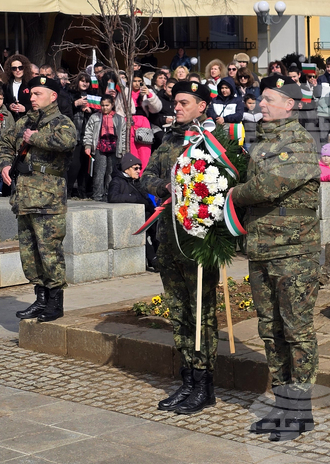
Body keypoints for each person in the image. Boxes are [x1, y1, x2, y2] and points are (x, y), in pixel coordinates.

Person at [228, 80, 321, 442]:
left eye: (269, 99)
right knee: (270, 329)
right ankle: (283, 405)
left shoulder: (299, 143)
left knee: (296, 331)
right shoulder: (263, 142)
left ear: (291, 105)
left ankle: (301, 410)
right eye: (261, 98)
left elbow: (267, 187)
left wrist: (231, 194)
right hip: (263, 248)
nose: (260, 103)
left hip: (293, 252)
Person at [139, 81, 220, 415]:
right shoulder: (170, 139)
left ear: (201, 105)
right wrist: (170, 185)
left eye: (185, 102)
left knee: (202, 313)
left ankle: (204, 384)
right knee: (179, 312)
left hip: (198, 241)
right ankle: (187, 380)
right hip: (169, 239)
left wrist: (194, 188)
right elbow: (145, 178)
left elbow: (226, 179)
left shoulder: (214, 140)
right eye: (176, 102)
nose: (178, 107)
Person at [0, 75, 77, 323]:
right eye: (30, 94)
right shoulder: (23, 123)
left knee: (49, 251)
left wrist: (35, 138)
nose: (32, 98)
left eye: (37, 94)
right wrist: (4, 164)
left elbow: (68, 141)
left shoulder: (62, 122)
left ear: (53, 96)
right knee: (29, 254)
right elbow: (5, 143)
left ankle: (55, 302)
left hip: (48, 199)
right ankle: (40, 299)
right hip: (24, 198)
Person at [108, 153, 157, 270]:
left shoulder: (137, 181)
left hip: (145, 214)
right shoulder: (117, 181)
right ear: (126, 169)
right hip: (131, 218)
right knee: (142, 234)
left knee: (157, 229)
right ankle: (153, 260)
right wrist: (134, 198)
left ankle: (160, 257)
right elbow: (112, 197)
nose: (139, 171)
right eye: (135, 168)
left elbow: (145, 199)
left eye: (140, 168)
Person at [83, 95, 127, 202]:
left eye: (107, 105)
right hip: (99, 147)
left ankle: (109, 194)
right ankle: (98, 195)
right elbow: (88, 132)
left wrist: (123, 150)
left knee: (111, 172)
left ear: (112, 105)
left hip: (114, 148)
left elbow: (123, 135)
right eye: (102, 105)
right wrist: (88, 145)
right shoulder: (95, 117)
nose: (104, 108)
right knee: (99, 171)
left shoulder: (120, 119)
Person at [3, 54, 33, 120]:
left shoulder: (31, 84)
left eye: (20, 67)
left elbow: (37, 103)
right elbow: (3, 102)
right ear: (10, 70)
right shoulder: (6, 85)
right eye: (14, 68)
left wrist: (25, 108)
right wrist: (9, 106)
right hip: (11, 120)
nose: (17, 70)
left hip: (28, 119)